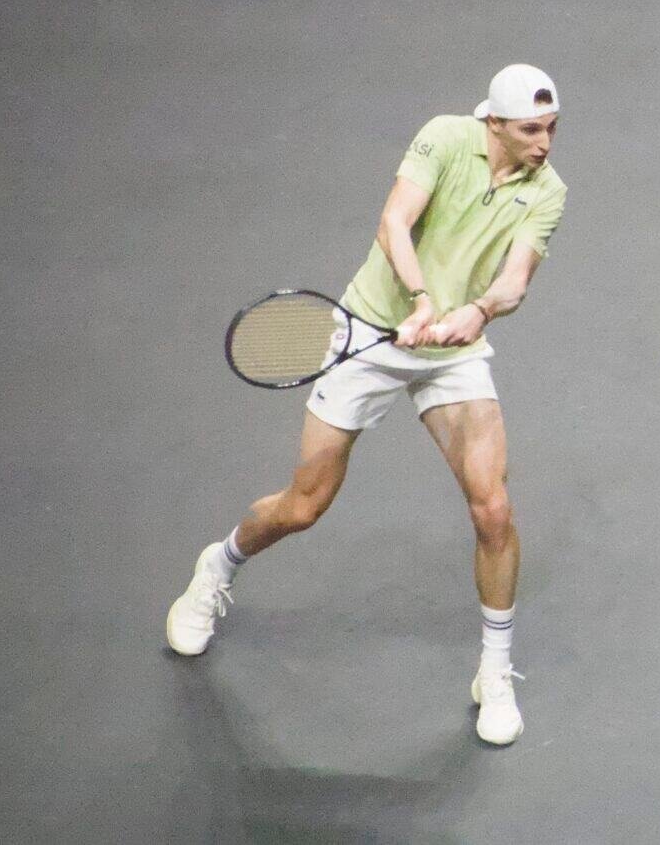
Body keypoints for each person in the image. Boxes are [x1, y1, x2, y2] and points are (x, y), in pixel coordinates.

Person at [167, 63, 567, 746]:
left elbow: (514, 281)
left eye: (553, 128)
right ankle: (218, 567)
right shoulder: (444, 138)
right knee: (305, 505)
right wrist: (420, 299)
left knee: (493, 508)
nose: (546, 143)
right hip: (370, 332)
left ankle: (493, 671)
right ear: (493, 124)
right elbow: (394, 222)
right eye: (531, 129)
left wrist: (475, 311)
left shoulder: (547, 191)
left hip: (453, 352)